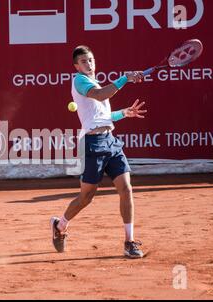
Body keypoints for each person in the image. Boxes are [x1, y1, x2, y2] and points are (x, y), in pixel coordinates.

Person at [50, 45, 147, 258]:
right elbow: (101, 95)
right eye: (84, 61)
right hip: (91, 144)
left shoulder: (96, 82)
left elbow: (103, 116)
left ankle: (129, 241)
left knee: (126, 188)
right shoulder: (80, 81)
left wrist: (124, 113)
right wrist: (125, 79)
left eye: (91, 60)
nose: (89, 64)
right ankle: (60, 225)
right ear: (76, 66)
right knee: (86, 197)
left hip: (110, 141)